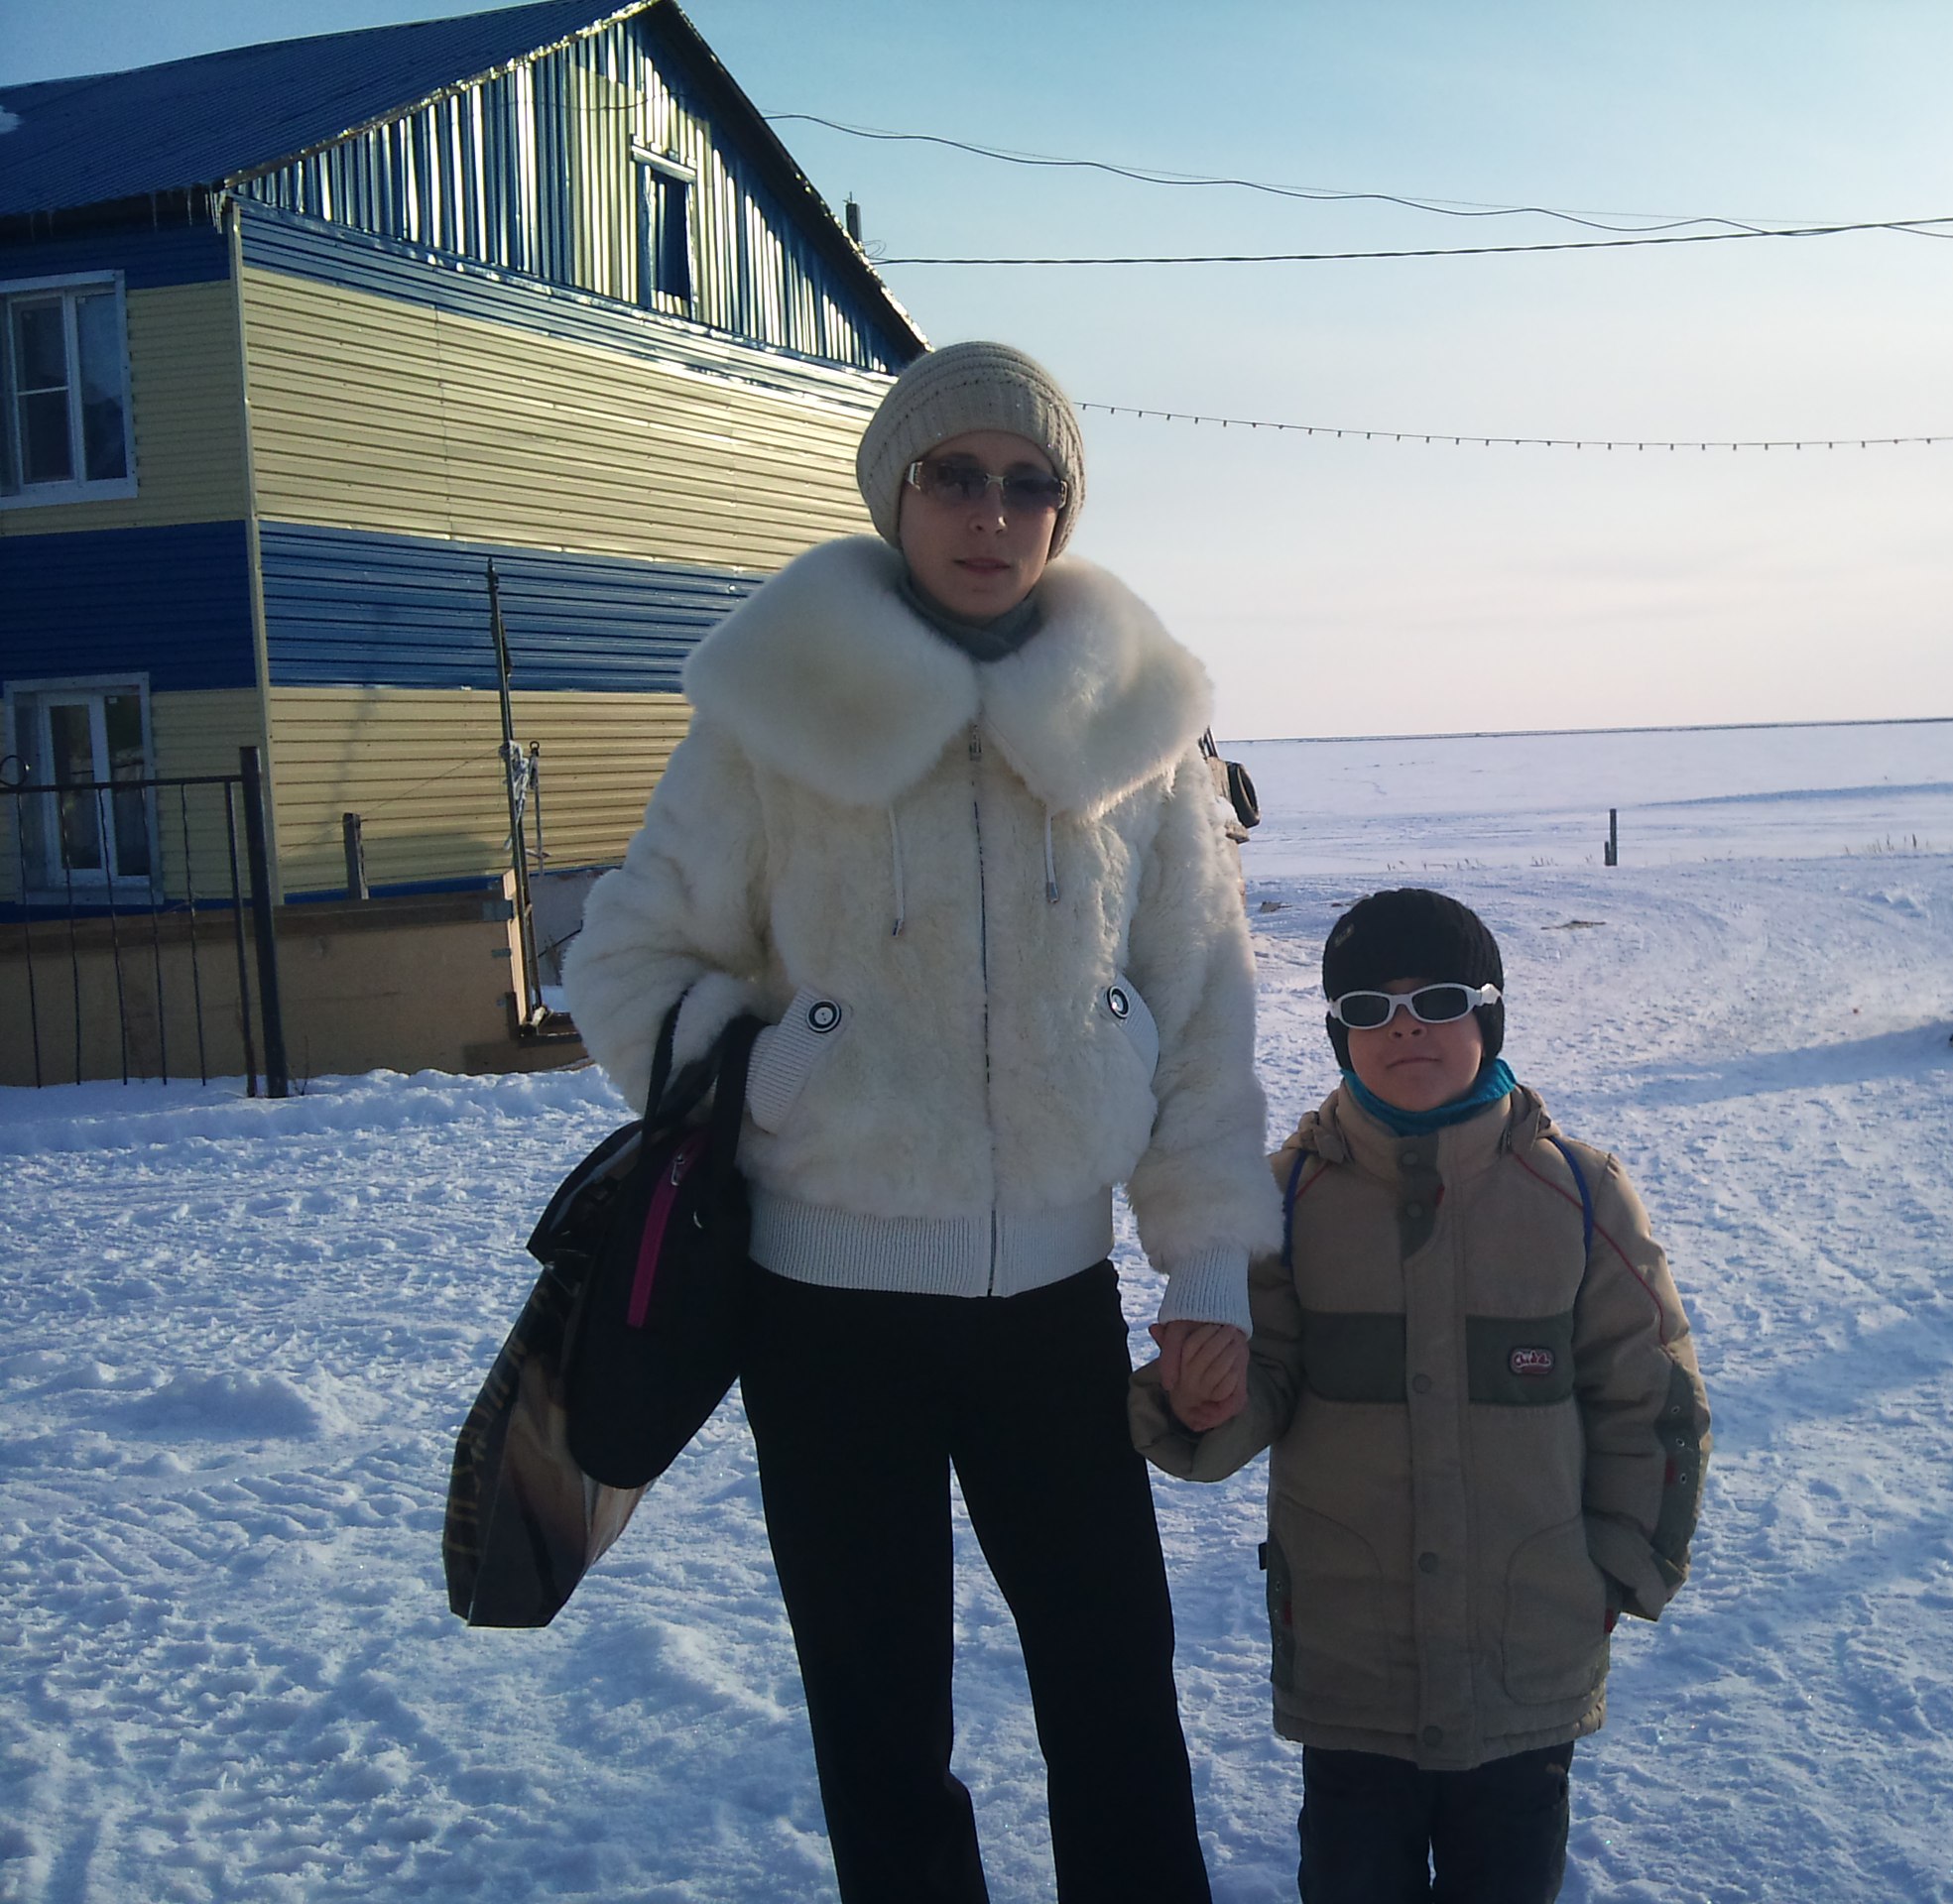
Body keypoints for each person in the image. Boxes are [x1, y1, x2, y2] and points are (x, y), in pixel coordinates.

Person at [568, 341, 1280, 1902]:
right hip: (828, 1321)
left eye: (1030, 484)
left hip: (1053, 1309)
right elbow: (623, 963)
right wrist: (769, 1073)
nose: (992, 513)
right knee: (880, 1718)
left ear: (1063, 514)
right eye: (956, 475)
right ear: (894, 491)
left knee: (1116, 1691)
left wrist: (1208, 1265)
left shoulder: (1142, 723)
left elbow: (1202, 1008)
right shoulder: (774, 711)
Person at [1130, 888, 1711, 1904]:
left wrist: (1615, 1573)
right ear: (1339, 1035)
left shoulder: (1579, 1196)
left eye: (1438, 1000)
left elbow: (1653, 1400)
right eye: (1369, 1009)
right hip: (1351, 1662)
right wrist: (1203, 1401)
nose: (1404, 1028)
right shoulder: (1282, 1199)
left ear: (1490, 1016)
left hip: (1527, 1657)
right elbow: (1263, 1379)